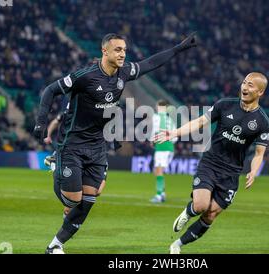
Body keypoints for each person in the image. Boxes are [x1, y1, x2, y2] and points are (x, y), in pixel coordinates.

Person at [33, 33, 197, 254]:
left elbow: (150, 63)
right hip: (72, 143)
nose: (122, 54)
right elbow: (50, 90)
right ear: (105, 51)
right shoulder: (86, 76)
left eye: (124, 50)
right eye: (118, 49)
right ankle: (56, 165)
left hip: (97, 145)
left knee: (90, 198)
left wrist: (178, 48)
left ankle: (55, 245)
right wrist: (41, 122)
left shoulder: (125, 72)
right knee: (73, 200)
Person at [154, 72, 269, 254]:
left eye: (250, 85)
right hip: (210, 163)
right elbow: (200, 121)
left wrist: (253, 171)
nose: (244, 87)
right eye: (244, 83)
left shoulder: (263, 122)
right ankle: (188, 213)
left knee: (210, 215)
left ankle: (177, 244)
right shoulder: (225, 105)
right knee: (200, 205)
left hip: (232, 173)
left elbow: (259, 153)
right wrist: (174, 133)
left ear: (260, 92)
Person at [150, 99, 177, 203]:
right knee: (157, 171)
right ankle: (162, 194)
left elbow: (155, 131)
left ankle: (159, 195)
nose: (156, 107)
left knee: (158, 171)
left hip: (162, 147)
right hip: (169, 147)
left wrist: (152, 140)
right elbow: (175, 138)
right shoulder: (170, 120)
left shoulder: (156, 117)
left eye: (157, 106)